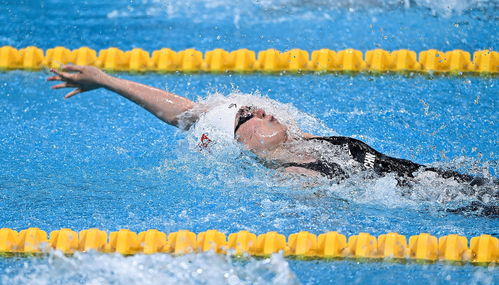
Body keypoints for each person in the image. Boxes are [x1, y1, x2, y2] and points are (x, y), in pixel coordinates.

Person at [48, 65, 498, 216]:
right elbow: (325, 213)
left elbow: (187, 115)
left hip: (458, 186)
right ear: (239, 144)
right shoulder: (294, 173)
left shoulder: (303, 144)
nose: (261, 109)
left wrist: (106, 79)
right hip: (463, 206)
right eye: (248, 116)